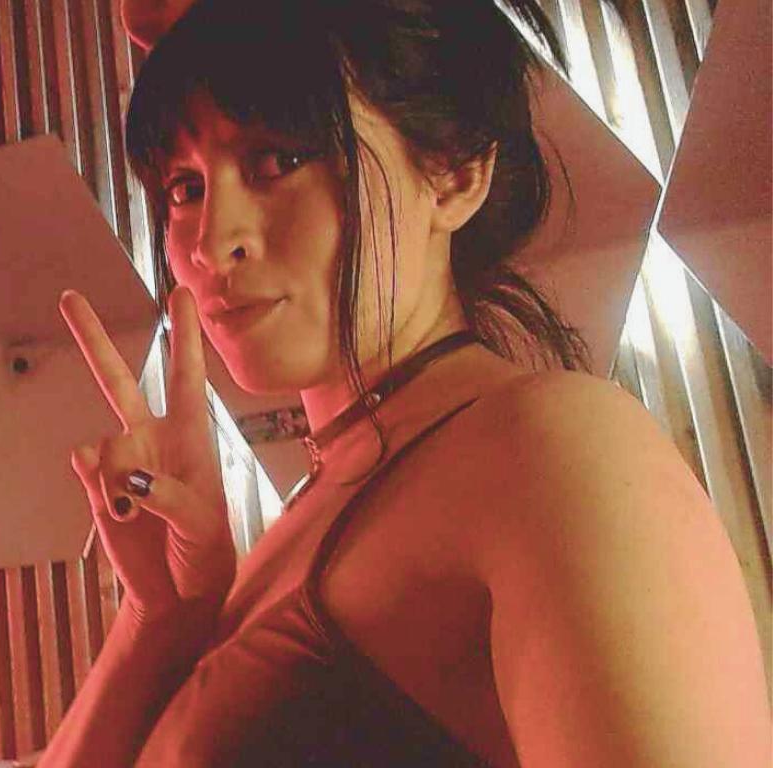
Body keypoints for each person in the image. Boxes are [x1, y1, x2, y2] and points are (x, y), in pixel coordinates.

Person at [39, 1, 770, 765]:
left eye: (277, 160)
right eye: (184, 188)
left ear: (454, 172)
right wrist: (159, 619)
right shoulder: (315, 505)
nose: (210, 243)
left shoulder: (552, 450)